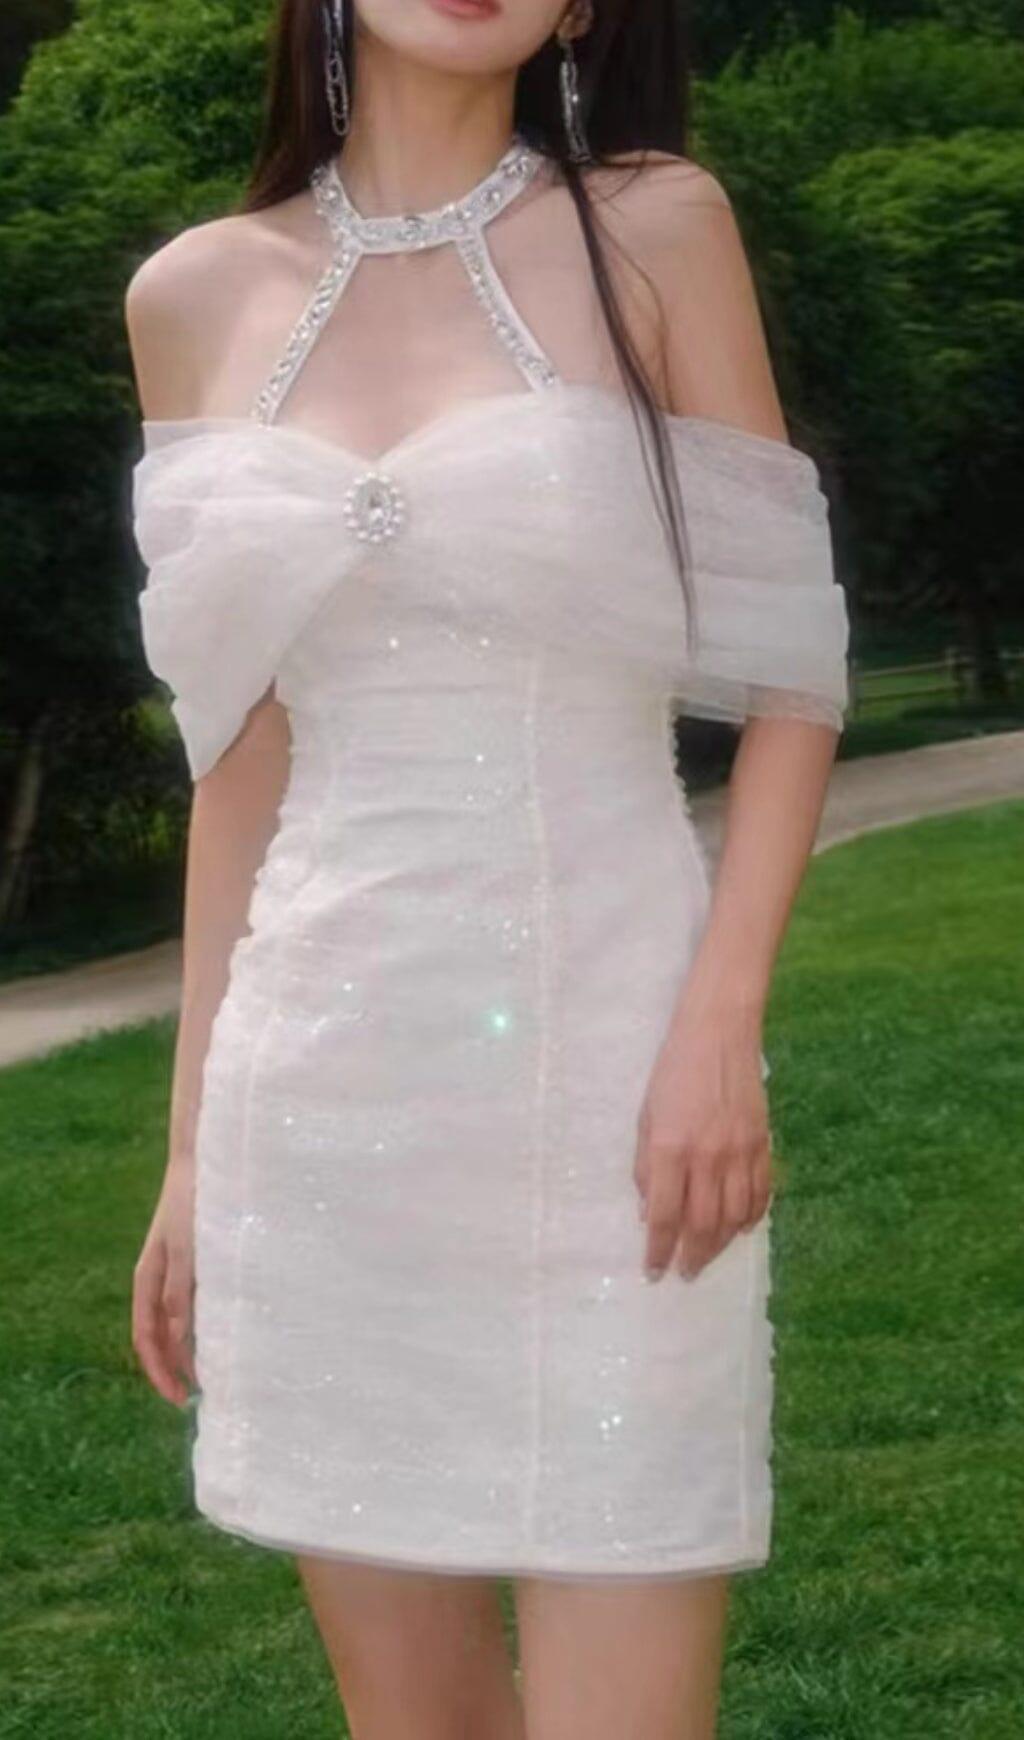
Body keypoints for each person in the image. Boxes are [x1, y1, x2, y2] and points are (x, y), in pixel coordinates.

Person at [125, 1, 850, 1734]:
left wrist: (718, 1031)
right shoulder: (190, 295)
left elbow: (796, 682)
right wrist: (191, 1156)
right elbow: (238, 758)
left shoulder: (657, 228)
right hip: (319, 1110)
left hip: (614, 1091)